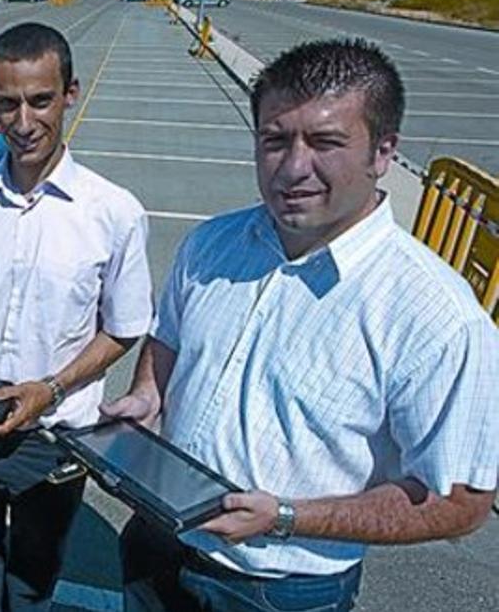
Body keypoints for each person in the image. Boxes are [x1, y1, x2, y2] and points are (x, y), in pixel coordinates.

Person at [104, 38, 499, 611]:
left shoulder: (437, 316)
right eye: (275, 139)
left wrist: (288, 516)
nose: (293, 168)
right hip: (159, 541)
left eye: (326, 142)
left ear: (384, 152)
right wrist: (148, 395)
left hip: (281, 588)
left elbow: (459, 500)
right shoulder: (212, 243)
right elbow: (168, 336)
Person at [0, 22, 154, 611]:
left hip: (52, 438)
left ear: (70, 93)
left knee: (32, 578)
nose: (23, 122)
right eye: (7, 103)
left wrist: (49, 389)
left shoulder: (114, 212)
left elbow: (125, 328)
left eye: (41, 101)